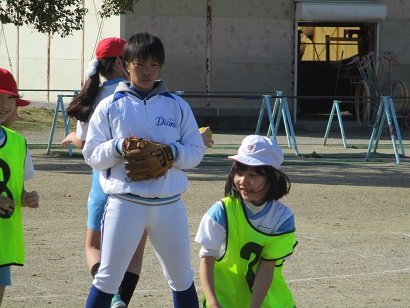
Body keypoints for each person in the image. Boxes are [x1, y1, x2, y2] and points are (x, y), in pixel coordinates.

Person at [82, 32, 205, 308]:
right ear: (126, 65)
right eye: (140, 64)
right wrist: (119, 146)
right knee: (107, 279)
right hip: (125, 205)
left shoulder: (177, 106)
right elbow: (91, 155)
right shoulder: (110, 105)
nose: (147, 71)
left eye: (154, 65)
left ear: (160, 67)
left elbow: (195, 153)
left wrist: (171, 153)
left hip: (169, 206)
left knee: (182, 278)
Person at [62, 37, 145, 308]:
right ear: (123, 63)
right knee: (134, 249)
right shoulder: (135, 94)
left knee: (93, 246)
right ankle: (122, 299)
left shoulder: (93, 96)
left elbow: (87, 146)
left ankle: (110, 298)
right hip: (136, 181)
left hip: (102, 181)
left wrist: (73, 136)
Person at [195, 135, 298, 308]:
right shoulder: (221, 211)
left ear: (272, 177)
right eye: (240, 172)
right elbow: (206, 259)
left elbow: (267, 267)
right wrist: (212, 302)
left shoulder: (282, 218)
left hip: (271, 302)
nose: (243, 181)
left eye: (253, 174)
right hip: (225, 302)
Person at [0, 68, 40, 304]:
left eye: (9, 98)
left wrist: (25, 198)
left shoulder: (18, 143)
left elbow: (17, 188)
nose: (4, 105)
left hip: (3, 239)